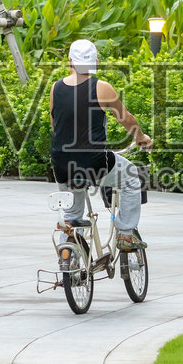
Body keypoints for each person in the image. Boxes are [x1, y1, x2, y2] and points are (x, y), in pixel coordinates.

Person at [51, 39, 151, 250]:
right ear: (95, 61)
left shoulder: (55, 88)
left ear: (70, 61)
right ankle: (125, 234)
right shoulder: (101, 88)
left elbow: (55, 126)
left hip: (61, 164)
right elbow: (127, 119)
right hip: (95, 162)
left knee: (71, 216)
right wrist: (140, 137)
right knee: (131, 175)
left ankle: (68, 257)